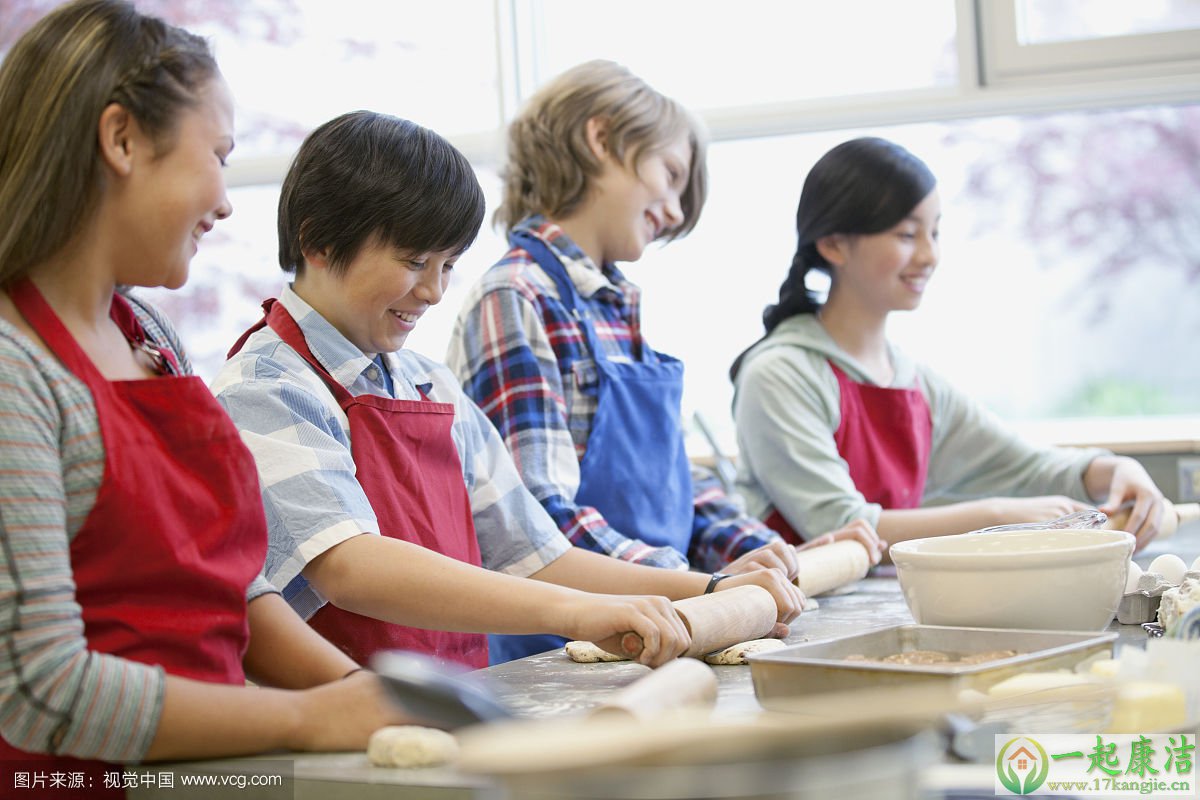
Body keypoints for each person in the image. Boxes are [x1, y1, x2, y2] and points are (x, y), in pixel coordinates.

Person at [212, 110, 806, 673]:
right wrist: (579, 613)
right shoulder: (267, 389)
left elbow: (537, 553)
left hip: (460, 695)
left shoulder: (428, 383)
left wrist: (710, 588)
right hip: (338, 718)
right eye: (415, 261)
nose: (434, 292)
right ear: (316, 242)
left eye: (447, 267)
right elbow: (351, 566)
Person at [0, 1, 410, 792]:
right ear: (121, 139)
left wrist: (359, 693)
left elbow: (232, 587)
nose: (226, 202)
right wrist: (309, 720)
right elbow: (37, 687)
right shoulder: (17, 369)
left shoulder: (147, 336)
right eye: (218, 155)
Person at [446, 59, 883, 665]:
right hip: (564, 650)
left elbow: (677, 490)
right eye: (670, 174)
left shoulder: (614, 308)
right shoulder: (516, 298)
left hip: (667, 626)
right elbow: (537, 523)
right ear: (600, 140)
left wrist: (773, 555)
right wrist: (699, 585)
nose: (676, 213)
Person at [728, 136, 1166, 553]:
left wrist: (1117, 469)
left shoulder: (914, 383)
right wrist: (997, 516)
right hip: (787, 618)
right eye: (906, 234)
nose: (929, 255)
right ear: (833, 244)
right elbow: (841, 524)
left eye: (934, 233)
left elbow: (1026, 467)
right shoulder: (779, 374)